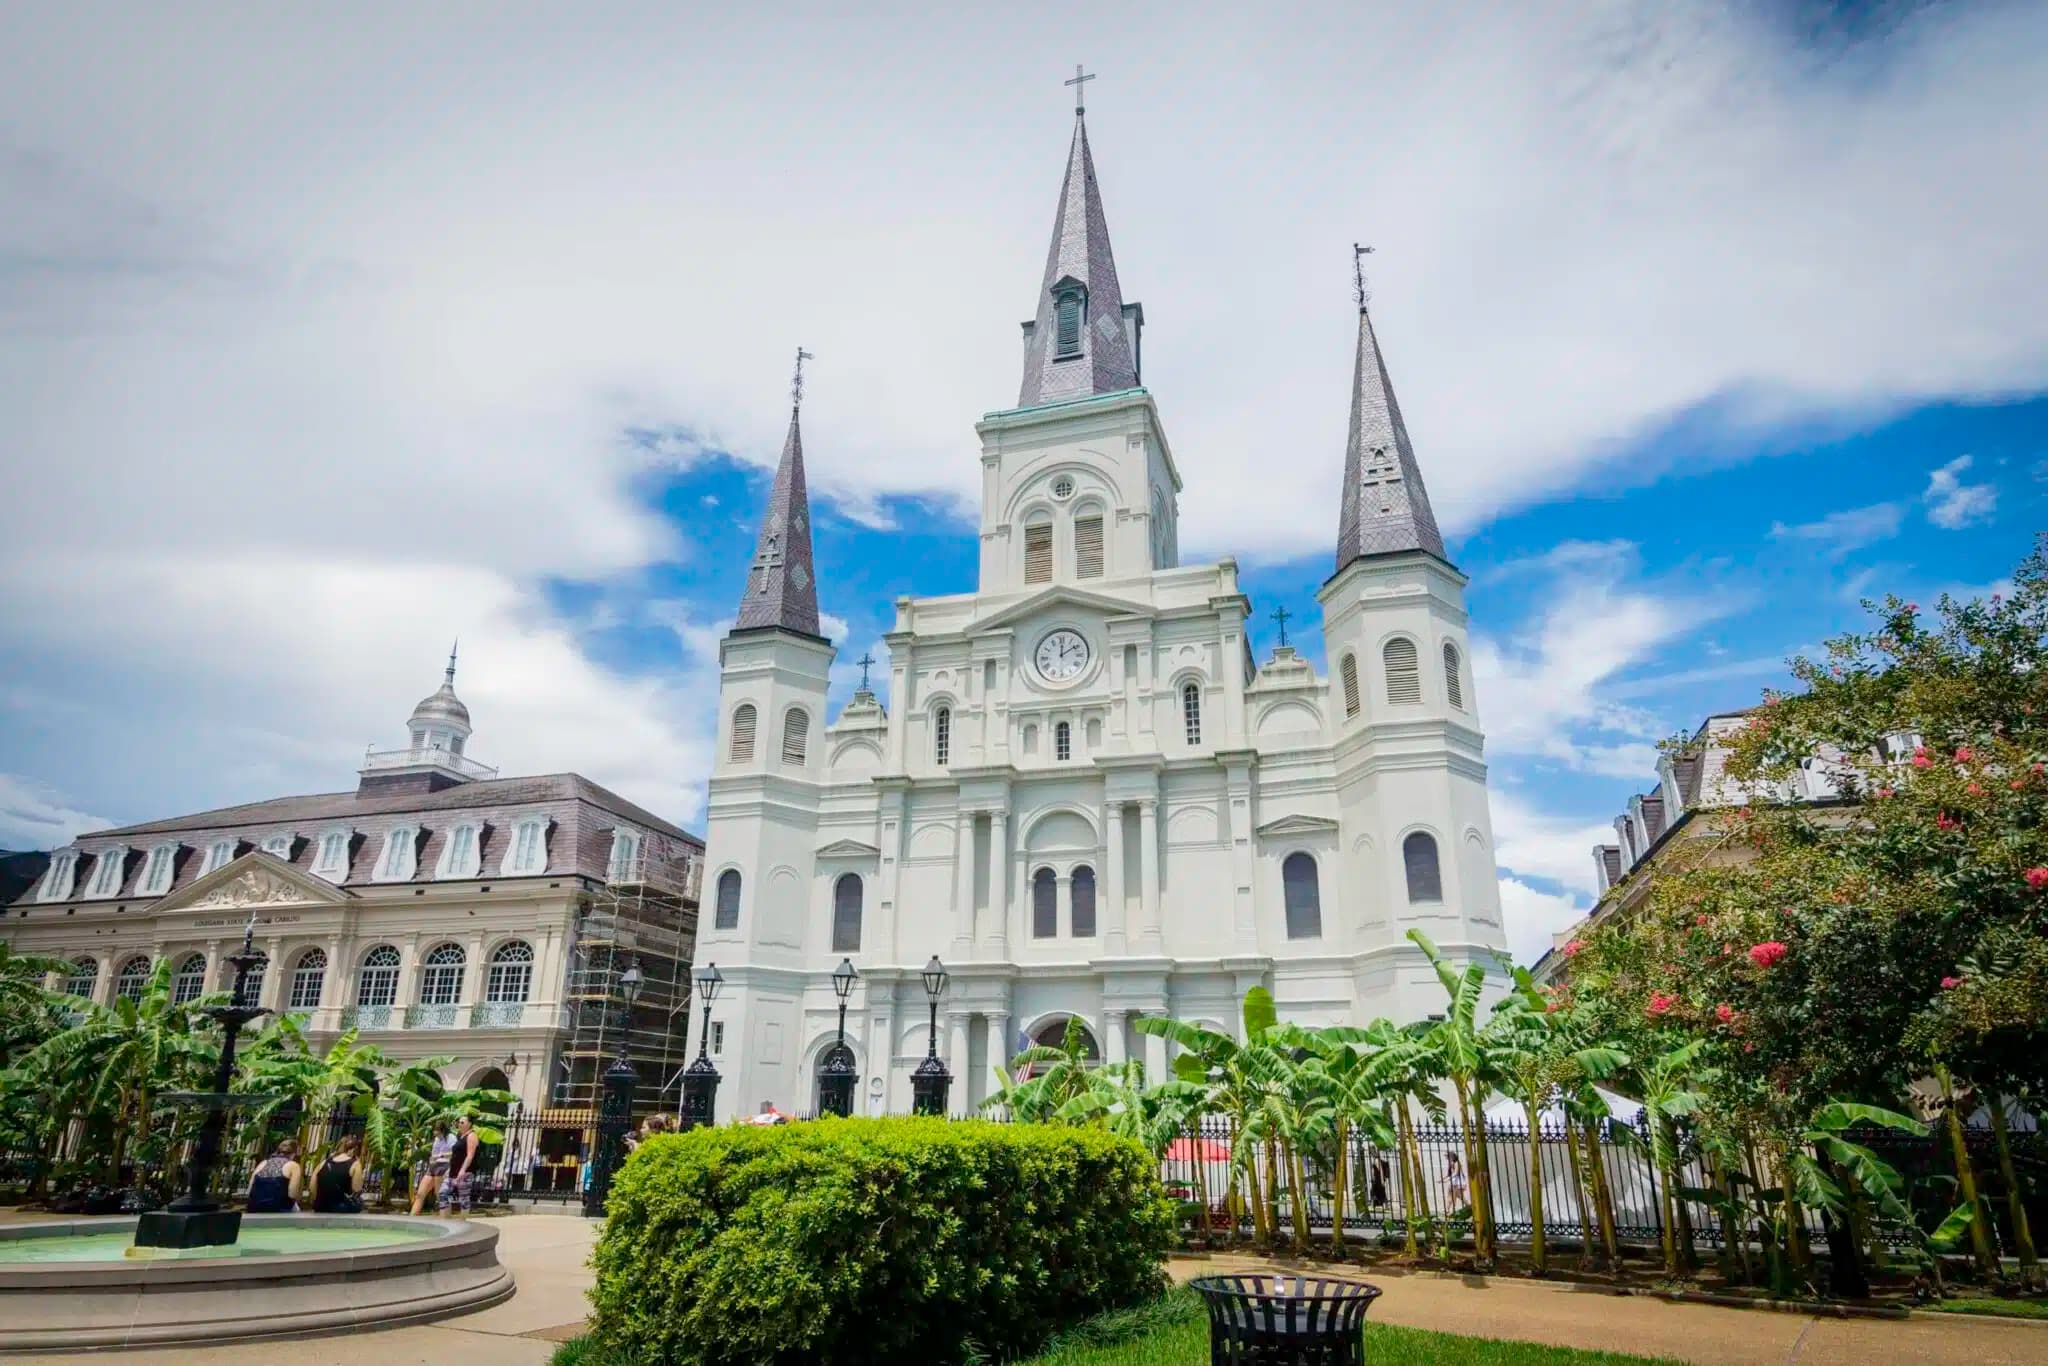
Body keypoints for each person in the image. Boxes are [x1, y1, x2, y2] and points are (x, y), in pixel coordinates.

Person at [312, 1134, 366, 1214]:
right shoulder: (355, 1164)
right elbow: (356, 1189)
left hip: (320, 1206)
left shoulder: (323, 1162)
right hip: (341, 1207)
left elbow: (312, 1186)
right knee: (360, 1202)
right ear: (353, 1150)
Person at [244, 1138, 302, 1213]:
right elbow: (292, 1194)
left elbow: (250, 1189)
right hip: (278, 1208)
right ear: (294, 1153)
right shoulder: (294, 1165)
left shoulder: (263, 1163)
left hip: (254, 1207)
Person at [411, 1122, 454, 1215]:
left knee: (439, 1195)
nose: (435, 1133)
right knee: (420, 1194)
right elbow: (433, 1154)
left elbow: (454, 1153)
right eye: (434, 1130)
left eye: (437, 1130)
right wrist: (432, 1162)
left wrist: (440, 1156)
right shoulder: (437, 1140)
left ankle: (446, 1218)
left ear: (442, 1130)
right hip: (433, 1166)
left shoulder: (451, 1137)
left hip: (444, 1165)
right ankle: (412, 1217)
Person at [446, 1115, 480, 1216]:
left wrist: (462, 1170)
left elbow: (470, 1155)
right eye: (459, 1123)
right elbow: (456, 1154)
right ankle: (446, 1220)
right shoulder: (461, 1136)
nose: (459, 1125)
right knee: (443, 1194)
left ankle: (463, 1221)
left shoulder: (471, 1136)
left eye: (462, 1122)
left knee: (463, 1198)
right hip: (453, 1171)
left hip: (464, 1172)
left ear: (469, 1124)